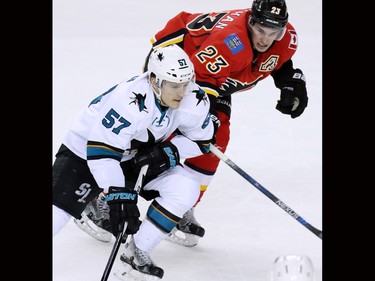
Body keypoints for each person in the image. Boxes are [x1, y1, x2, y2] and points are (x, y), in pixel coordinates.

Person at [75, 0, 309, 247]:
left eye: (274, 33)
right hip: (179, 64)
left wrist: (290, 81)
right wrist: (199, 122)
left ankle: (182, 206)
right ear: (251, 21)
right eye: (260, 30)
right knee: (158, 132)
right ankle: (99, 195)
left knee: (215, 139)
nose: (265, 39)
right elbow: (198, 83)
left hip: (216, 74)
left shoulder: (283, 37)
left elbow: (275, 59)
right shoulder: (230, 42)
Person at [53, 44, 215, 279]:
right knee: (56, 214)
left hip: (136, 155)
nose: (181, 92)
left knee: (185, 188)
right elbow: (103, 153)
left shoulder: (194, 99)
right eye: (174, 85)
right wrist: (118, 195)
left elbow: (202, 141)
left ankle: (137, 250)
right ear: (154, 81)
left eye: (185, 83)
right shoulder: (129, 101)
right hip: (86, 151)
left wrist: (169, 151)